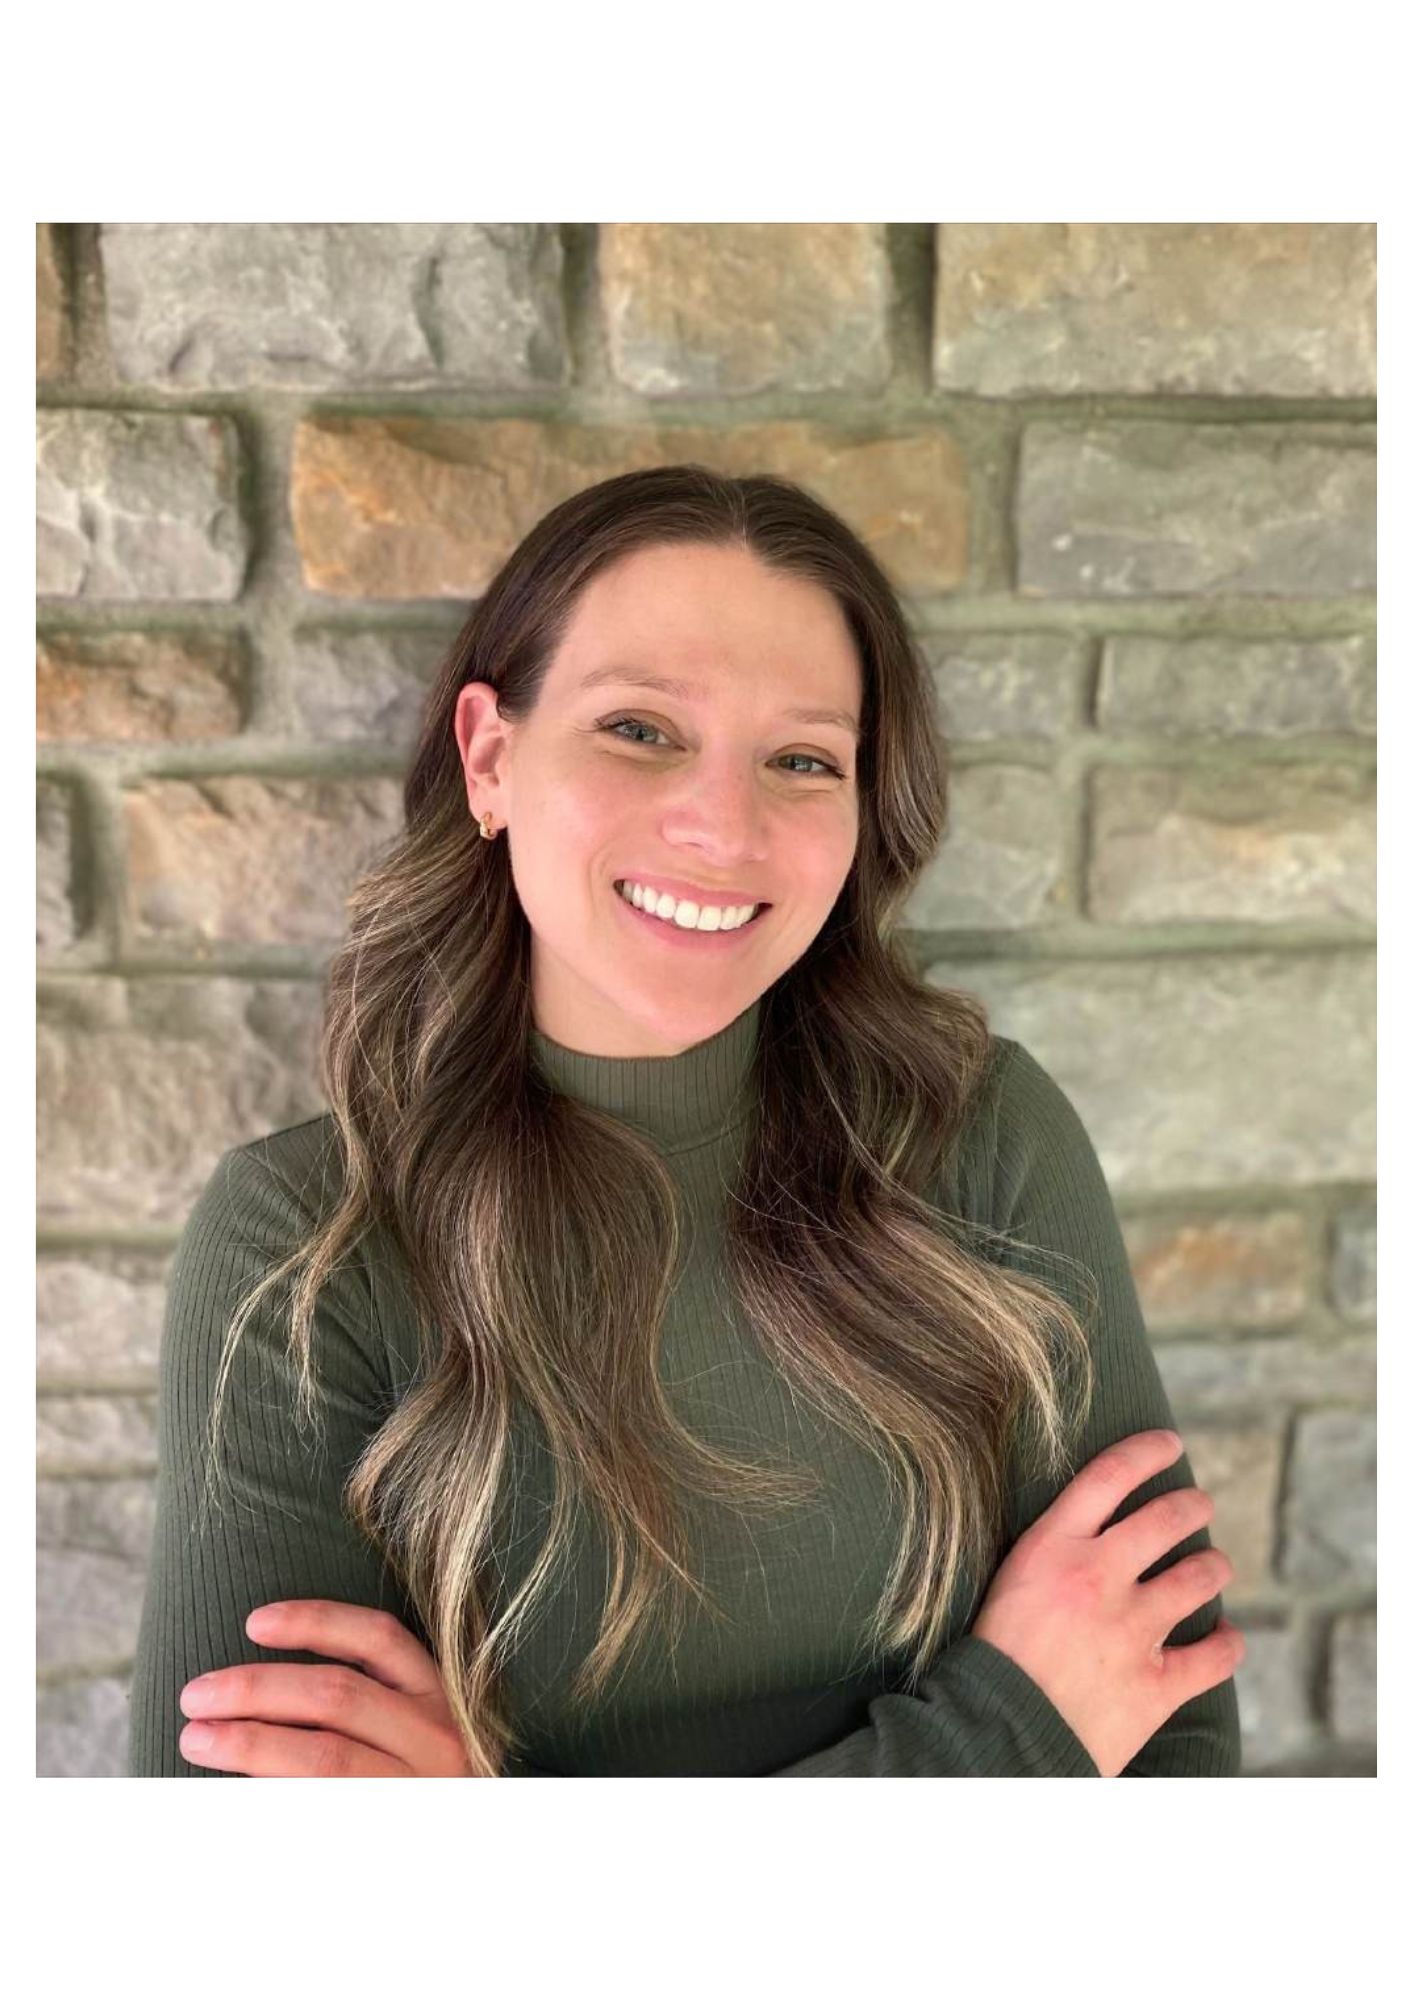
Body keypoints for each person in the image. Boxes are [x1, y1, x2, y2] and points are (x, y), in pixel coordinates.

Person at [127, 464, 1244, 1778]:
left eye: (801, 759)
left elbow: (1174, 1770)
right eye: (639, 731)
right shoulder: (306, 1250)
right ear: (490, 758)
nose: (724, 826)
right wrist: (1004, 1739)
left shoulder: (983, 1141)